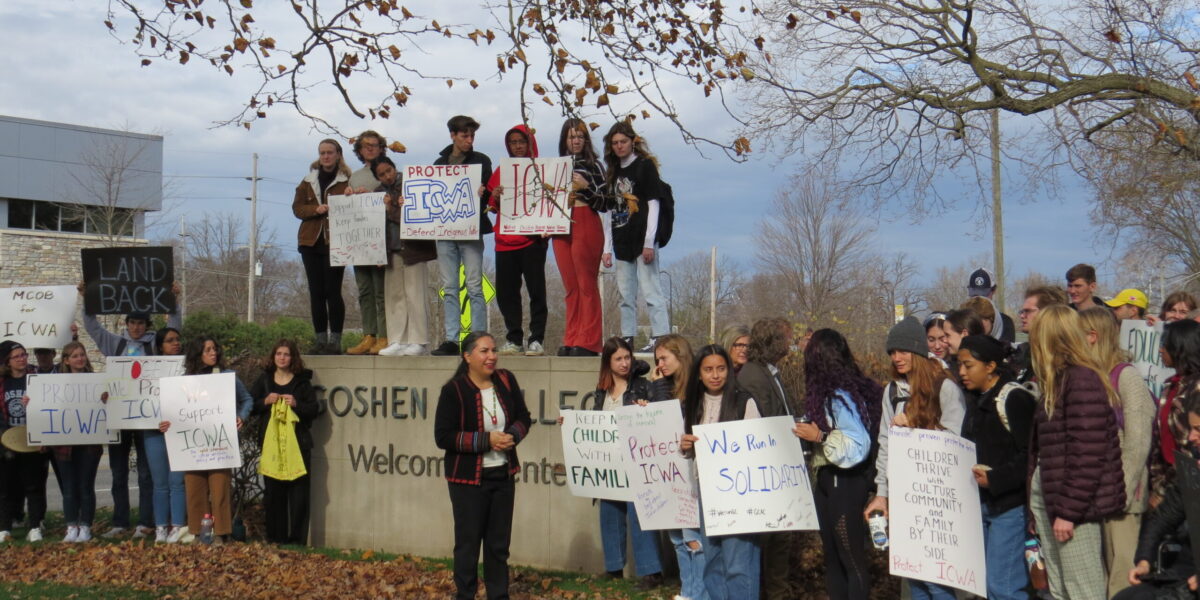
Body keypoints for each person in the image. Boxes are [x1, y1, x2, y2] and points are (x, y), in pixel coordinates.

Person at [1026, 304, 1126, 599]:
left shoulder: (1081, 380)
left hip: (1073, 509)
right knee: (1060, 589)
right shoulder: (1056, 381)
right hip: (1052, 499)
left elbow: (1087, 455)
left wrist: (1068, 512)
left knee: (1083, 591)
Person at [863, 316, 965, 600]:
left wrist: (919, 429)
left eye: (903, 351)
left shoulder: (944, 387)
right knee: (915, 579)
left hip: (938, 498)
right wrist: (882, 494)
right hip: (903, 495)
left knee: (936, 581)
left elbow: (958, 442)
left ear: (919, 352)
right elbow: (884, 442)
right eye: (893, 352)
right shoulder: (892, 390)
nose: (897, 358)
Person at [433, 331, 532, 600]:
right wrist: (485, 440)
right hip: (467, 481)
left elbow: (524, 417)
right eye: (484, 351)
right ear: (467, 356)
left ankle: (498, 596)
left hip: (503, 476)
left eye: (494, 350)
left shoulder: (506, 380)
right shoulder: (453, 390)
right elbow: (443, 436)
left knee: (498, 546)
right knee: (467, 545)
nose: (492, 357)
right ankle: (465, 595)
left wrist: (512, 434)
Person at [81, 282, 182, 540]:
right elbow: (92, 326)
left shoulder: (154, 346)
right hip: (119, 418)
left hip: (147, 419)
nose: (136, 327)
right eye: (132, 323)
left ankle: (145, 522)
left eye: (141, 323)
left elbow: (174, 329)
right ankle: (120, 521)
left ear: (147, 326)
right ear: (126, 324)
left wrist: (174, 299)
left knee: (147, 473)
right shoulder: (114, 344)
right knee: (118, 472)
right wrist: (86, 297)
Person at [792, 329, 881, 600]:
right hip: (828, 482)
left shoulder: (840, 396)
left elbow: (858, 446)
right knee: (833, 559)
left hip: (845, 485)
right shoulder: (835, 393)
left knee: (850, 561)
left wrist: (819, 436)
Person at [1078, 307, 1156, 597]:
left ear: (1094, 336)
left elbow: (1138, 441)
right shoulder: (1092, 376)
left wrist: (1121, 489)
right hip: (1098, 495)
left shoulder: (1126, 377)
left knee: (1123, 579)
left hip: (1123, 498)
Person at [679, 345, 762, 599]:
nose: (715, 375)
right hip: (707, 492)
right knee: (713, 560)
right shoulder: (692, 404)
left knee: (739, 564)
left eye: (721, 368)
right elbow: (689, 449)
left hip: (739, 494)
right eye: (708, 370)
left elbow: (759, 449)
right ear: (699, 374)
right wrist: (685, 448)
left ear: (729, 370)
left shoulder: (744, 401)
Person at [956, 335, 1035, 600]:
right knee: (989, 587)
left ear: (990, 366)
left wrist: (996, 479)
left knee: (1004, 586)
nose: (962, 372)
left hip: (1010, 508)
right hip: (981, 506)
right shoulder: (974, 399)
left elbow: (1031, 456)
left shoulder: (1014, 398)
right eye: (959, 365)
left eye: (968, 365)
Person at [159, 337, 253, 546]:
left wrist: (241, 416)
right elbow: (174, 412)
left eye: (215, 349)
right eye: (208, 350)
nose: (214, 353)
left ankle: (221, 533)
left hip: (219, 444)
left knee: (219, 490)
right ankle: (200, 532)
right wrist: (167, 424)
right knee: (194, 491)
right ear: (197, 354)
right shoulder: (184, 381)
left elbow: (247, 399)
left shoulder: (228, 377)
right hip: (192, 447)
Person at [587, 337, 663, 588]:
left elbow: (657, 417)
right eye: (618, 358)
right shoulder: (602, 390)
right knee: (609, 514)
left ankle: (650, 571)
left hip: (636, 461)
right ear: (608, 362)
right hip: (609, 462)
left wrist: (646, 408)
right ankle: (614, 568)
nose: (624, 363)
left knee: (640, 514)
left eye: (627, 357)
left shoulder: (642, 386)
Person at [732, 318, 794, 599]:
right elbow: (763, 425)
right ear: (774, 341)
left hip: (779, 465)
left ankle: (777, 590)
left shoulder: (771, 372)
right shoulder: (753, 376)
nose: (791, 344)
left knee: (780, 538)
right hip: (766, 469)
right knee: (770, 539)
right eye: (787, 338)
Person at [1117, 391, 1200, 600]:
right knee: (1127, 597)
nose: (1191, 437)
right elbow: (1161, 519)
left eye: (1198, 429)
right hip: (1183, 575)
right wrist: (1145, 559)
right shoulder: (1193, 474)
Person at [601, 121, 671, 353]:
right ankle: (628, 337)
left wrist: (650, 242)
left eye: (623, 141)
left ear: (633, 142)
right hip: (622, 239)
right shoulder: (613, 172)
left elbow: (654, 203)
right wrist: (607, 248)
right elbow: (610, 211)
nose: (619, 146)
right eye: (615, 143)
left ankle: (660, 336)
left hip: (642, 238)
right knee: (625, 294)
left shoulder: (644, 166)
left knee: (651, 290)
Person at [430, 116, 493, 356]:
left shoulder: (481, 161)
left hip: (471, 229)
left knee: (475, 285)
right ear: (453, 135)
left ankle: (477, 338)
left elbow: (490, 197)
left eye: (472, 136)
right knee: (449, 286)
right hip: (444, 231)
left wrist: (483, 192)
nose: (469, 140)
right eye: (464, 135)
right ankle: (451, 339)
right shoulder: (439, 163)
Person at [250, 339, 320, 545]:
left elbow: (313, 410)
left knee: (299, 496)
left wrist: (297, 404)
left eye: (286, 354)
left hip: (298, 446)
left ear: (293, 358)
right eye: (279, 353)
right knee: (274, 495)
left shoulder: (302, 383)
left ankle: (296, 540)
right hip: (272, 446)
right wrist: (265, 402)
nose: (282, 357)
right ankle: (275, 538)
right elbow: (250, 406)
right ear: (273, 357)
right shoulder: (263, 380)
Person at [487, 124, 548, 356]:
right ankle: (514, 338)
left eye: (521, 141)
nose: (518, 146)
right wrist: (494, 196)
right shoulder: (502, 170)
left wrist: (548, 228)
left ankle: (536, 338)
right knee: (506, 293)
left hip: (532, 240)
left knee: (536, 292)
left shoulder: (542, 170)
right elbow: (492, 207)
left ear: (530, 143)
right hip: (505, 241)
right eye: (513, 142)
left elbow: (550, 203)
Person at [372, 156, 437, 357]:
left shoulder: (412, 183)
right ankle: (397, 340)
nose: (387, 176)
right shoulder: (376, 194)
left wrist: (392, 208)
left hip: (414, 248)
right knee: (394, 296)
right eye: (381, 175)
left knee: (415, 293)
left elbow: (416, 215)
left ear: (394, 168)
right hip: (391, 250)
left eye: (388, 171)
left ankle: (418, 341)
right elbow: (373, 224)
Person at [553, 118, 607, 357]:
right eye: (571, 136)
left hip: (585, 218)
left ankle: (590, 341)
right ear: (564, 139)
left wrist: (585, 187)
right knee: (570, 286)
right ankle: (572, 336)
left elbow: (606, 201)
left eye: (580, 137)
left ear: (585, 140)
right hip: (560, 223)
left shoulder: (595, 165)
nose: (575, 141)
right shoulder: (555, 166)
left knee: (586, 283)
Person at [293, 138, 351, 355]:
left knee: (333, 292)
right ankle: (319, 340)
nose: (326, 156)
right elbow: (297, 208)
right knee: (315, 292)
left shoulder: (346, 181)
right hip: (310, 242)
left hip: (336, 242)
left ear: (338, 154)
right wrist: (315, 209)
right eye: (322, 152)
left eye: (330, 152)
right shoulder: (308, 181)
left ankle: (335, 340)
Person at [46, 341, 104, 543]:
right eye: (75, 356)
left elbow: (105, 407)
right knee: (69, 487)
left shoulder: (97, 381)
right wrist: (31, 401)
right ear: (66, 360)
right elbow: (45, 405)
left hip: (89, 443)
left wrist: (107, 398)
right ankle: (71, 526)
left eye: (82, 354)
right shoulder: (54, 384)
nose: (80, 359)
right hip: (64, 444)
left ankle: (86, 526)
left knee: (86, 486)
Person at [345, 130, 390, 356]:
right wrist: (349, 196)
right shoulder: (356, 175)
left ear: (382, 148)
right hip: (359, 242)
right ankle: (368, 335)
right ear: (360, 150)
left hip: (381, 241)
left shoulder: (386, 171)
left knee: (381, 291)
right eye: (365, 146)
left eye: (375, 145)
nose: (370, 149)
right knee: (364, 291)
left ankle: (384, 335)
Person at [143, 327, 190, 544]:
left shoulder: (188, 369)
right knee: (160, 482)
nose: (176, 343)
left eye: (178, 339)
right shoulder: (148, 368)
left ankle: (178, 526)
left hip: (180, 432)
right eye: (170, 340)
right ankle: (161, 526)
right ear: (160, 346)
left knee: (177, 482)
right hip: (154, 432)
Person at [0, 341, 49, 543]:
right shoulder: (2, 382)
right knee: (5, 488)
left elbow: (48, 405)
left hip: (32, 440)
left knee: (34, 486)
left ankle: (35, 526)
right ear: (7, 361)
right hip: (6, 442)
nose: (22, 358)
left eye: (23, 355)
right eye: (17, 356)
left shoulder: (36, 379)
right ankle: (4, 527)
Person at [1151, 320, 1200, 504]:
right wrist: (1158, 487)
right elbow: (1161, 442)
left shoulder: (1196, 388)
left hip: (1189, 489)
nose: (1160, 350)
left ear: (1180, 347)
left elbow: (1191, 447)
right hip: (1169, 486)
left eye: (1165, 344)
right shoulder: (1171, 386)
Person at [1014, 285, 1069, 382]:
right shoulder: (1024, 353)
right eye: (1022, 311)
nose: (1022, 316)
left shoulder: (1063, 356)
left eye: (1028, 311)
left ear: (1048, 313)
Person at [966, 267, 1016, 343]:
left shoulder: (1005, 322)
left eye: (984, 294)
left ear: (993, 290)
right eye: (975, 294)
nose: (980, 298)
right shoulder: (961, 320)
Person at [651, 333, 693, 403]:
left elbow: (668, 412)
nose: (659, 365)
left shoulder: (698, 382)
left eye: (663, 358)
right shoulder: (662, 383)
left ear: (679, 355)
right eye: (658, 360)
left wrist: (661, 387)